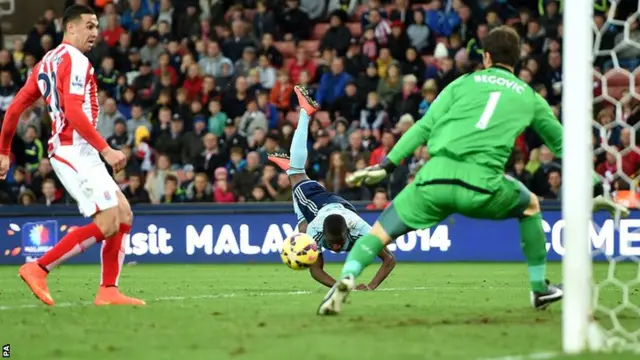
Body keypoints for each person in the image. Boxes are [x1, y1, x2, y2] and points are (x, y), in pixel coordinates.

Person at [317, 26, 629, 315]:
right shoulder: (530, 97)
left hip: (432, 178)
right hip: (481, 185)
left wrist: (386, 165)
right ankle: (539, 289)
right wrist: (597, 188)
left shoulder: (462, 83)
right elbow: (567, 148)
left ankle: (345, 278)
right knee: (531, 205)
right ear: (518, 60)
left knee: (378, 234)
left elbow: (424, 126)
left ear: (486, 57)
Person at [0, 5, 144, 306]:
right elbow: (74, 111)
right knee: (107, 223)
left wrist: (3, 152)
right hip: (73, 150)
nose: (95, 32)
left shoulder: (45, 62)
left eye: (96, 26)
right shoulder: (76, 60)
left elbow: (14, 109)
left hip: (78, 150)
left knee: (124, 214)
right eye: (89, 26)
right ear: (70, 28)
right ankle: (38, 268)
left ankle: (108, 291)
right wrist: (106, 149)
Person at [268, 86, 396, 290]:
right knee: (297, 181)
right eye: (332, 243)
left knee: (298, 187)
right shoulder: (315, 231)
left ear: (348, 232)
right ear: (323, 236)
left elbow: (390, 260)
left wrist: (371, 286)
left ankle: (300, 131)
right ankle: (304, 118)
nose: (335, 247)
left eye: (338, 243)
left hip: (342, 209)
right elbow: (315, 270)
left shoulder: (363, 231)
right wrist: (341, 286)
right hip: (321, 207)